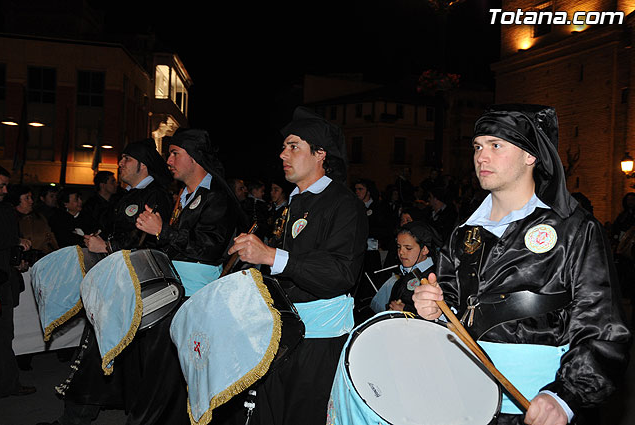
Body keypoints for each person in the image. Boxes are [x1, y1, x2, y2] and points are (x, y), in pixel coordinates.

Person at [412, 104, 631, 425]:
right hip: (465, 402)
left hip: (539, 404)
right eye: (477, 146)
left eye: (495, 145)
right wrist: (430, 306)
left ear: (531, 155)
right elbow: (450, 301)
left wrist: (565, 395)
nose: (480, 157)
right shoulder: (465, 232)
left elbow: (603, 329)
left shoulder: (574, 229)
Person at [228, 106, 368, 425]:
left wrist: (270, 256)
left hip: (319, 339)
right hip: (281, 331)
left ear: (320, 154)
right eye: (283, 147)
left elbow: (340, 273)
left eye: (293, 147)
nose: (283, 154)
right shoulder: (292, 203)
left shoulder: (345, 205)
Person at [36, 138, 175, 425]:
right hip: (115, 284)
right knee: (109, 352)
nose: (120, 164)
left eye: (125, 159)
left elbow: (145, 241)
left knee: (104, 352)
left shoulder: (155, 195)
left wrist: (107, 246)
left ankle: (78, 416)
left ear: (142, 164)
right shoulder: (126, 197)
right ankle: (81, 414)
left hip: (133, 287)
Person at [133, 128, 243, 425]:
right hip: (173, 290)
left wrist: (162, 231)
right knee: (164, 371)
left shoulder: (217, 197)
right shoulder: (186, 195)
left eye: (174, 153)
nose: (168, 159)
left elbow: (208, 248)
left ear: (194, 158)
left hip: (192, 296)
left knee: (168, 373)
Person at [0, 164, 35, 398]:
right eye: (0, 185)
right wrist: (16, 241)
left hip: (3, 281)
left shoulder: (5, 209)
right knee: (1, 337)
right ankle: (6, 385)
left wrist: (17, 259)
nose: (5, 190)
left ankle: (6, 382)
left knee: (3, 335)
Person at [370, 220, 440, 313]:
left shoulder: (436, 276)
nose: (401, 252)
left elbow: (436, 314)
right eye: (399, 247)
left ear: (425, 249)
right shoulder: (405, 273)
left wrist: (406, 310)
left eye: (408, 248)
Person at [6, 184, 58, 256]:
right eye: (27, 198)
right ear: (17, 200)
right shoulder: (10, 219)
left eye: (31, 197)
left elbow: (51, 240)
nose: (31, 201)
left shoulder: (39, 217)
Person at [82, 171, 118, 236]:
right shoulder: (91, 205)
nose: (116, 184)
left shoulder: (117, 202)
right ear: (102, 185)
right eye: (112, 182)